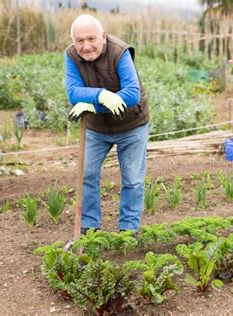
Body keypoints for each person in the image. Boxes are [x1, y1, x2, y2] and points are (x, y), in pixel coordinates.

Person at [65, 14, 149, 235]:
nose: (86, 46)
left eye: (91, 38)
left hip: (132, 125)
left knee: (132, 179)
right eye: (79, 40)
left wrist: (94, 105)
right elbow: (73, 92)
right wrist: (101, 95)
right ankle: (90, 227)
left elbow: (131, 95)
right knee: (87, 175)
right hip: (97, 129)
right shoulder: (71, 55)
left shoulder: (119, 51)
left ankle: (128, 230)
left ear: (103, 36)